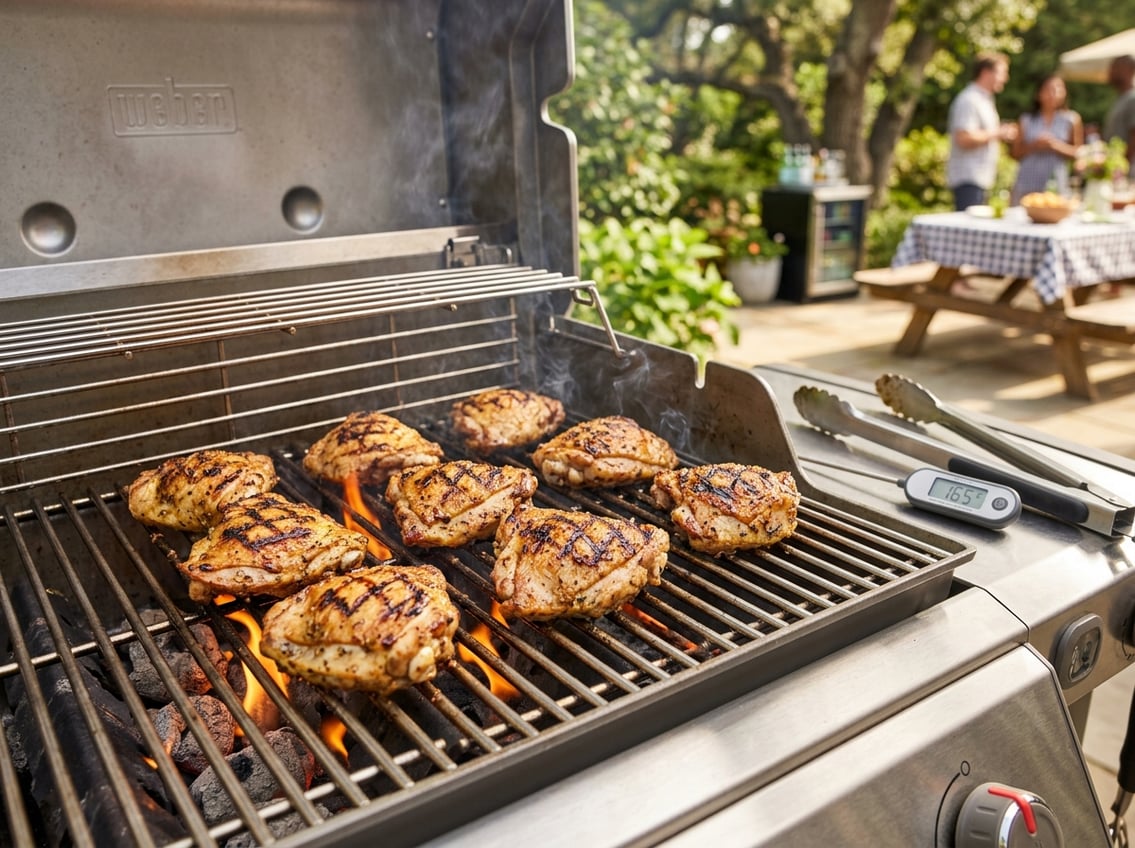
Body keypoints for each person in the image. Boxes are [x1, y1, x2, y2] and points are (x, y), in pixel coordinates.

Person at [946, 52, 1018, 210]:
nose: (1005, 78)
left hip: (979, 178)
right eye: (1002, 73)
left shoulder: (984, 100)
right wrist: (998, 133)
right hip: (968, 178)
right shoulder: (969, 100)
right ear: (986, 72)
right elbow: (963, 138)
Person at [1009, 74, 1083, 204]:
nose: (1053, 94)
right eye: (1048, 89)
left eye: (1058, 89)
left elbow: (1079, 152)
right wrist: (1034, 145)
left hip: (1056, 184)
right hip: (1027, 183)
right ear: (1039, 93)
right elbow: (1015, 153)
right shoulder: (1026, 119)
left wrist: (1055, 145)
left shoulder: (1071, 119)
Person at [1104, 54, 1135, 176]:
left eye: (1114, 67)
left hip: (1126, 171)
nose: (1110, 72)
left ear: (1129, 70)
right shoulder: (1120, 98)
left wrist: (1120, 165)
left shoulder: (1132, 99)